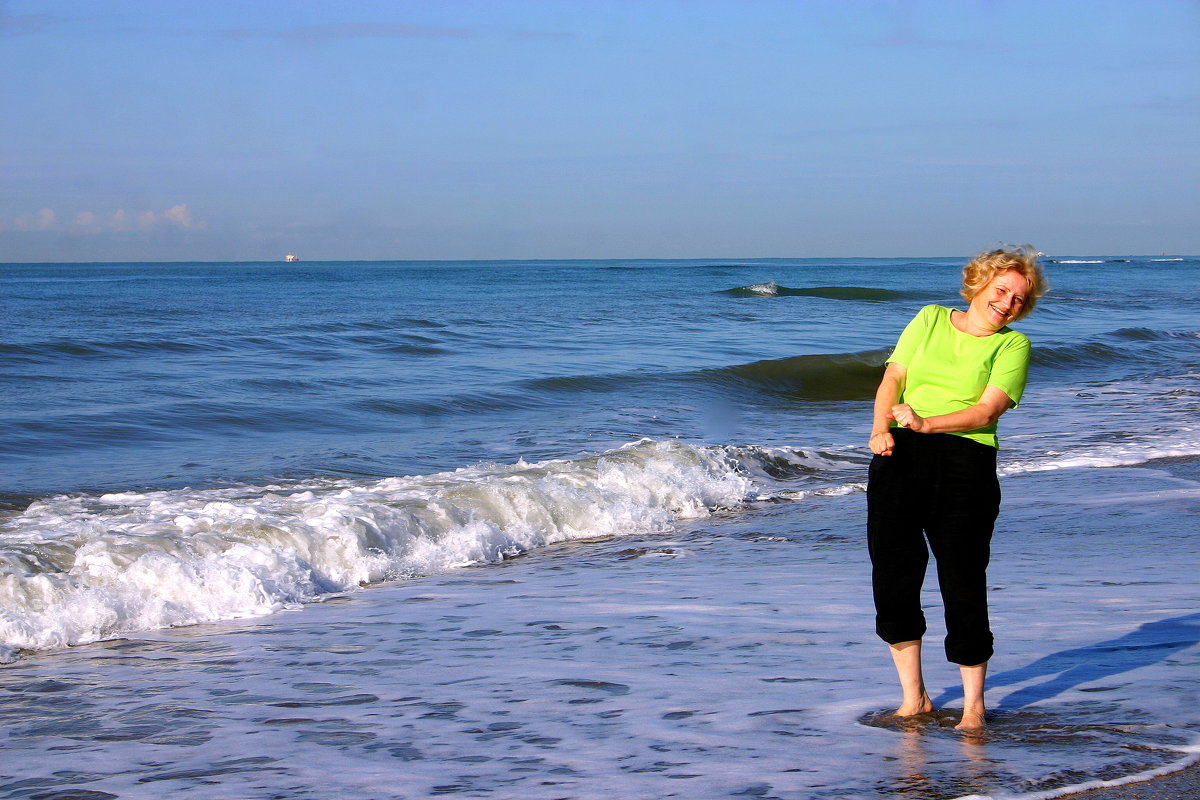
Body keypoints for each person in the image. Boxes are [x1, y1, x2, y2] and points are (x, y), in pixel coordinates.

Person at [867, 245, 1047, 731]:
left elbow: (986, 412)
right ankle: (915, 699)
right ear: (979, 284)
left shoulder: (1013, 345)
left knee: (963, 580)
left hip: (966, 463)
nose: (1008, 303)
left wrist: (926, 424)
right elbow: (894, 376)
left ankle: (973, 707)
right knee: (894, 577)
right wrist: (880, 427)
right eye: (1001, 290)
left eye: (1018, 298)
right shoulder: (927, 318)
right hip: (898, 458)